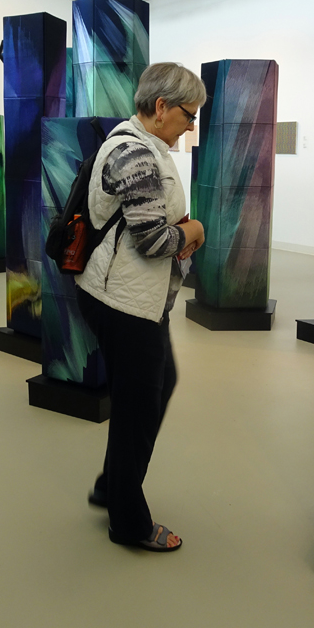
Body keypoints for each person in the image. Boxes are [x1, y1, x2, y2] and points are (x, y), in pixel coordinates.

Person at [76, 62, 207, 552]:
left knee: (157, 385)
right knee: (137, 408)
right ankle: (128, 521)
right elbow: (153, 241)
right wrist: (194, 231)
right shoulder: (134, 153)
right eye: (189, 115)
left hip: (137, 300)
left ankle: (112, 485)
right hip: (124, 304)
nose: (191, 126)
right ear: (161, 107)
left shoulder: (144, 145)